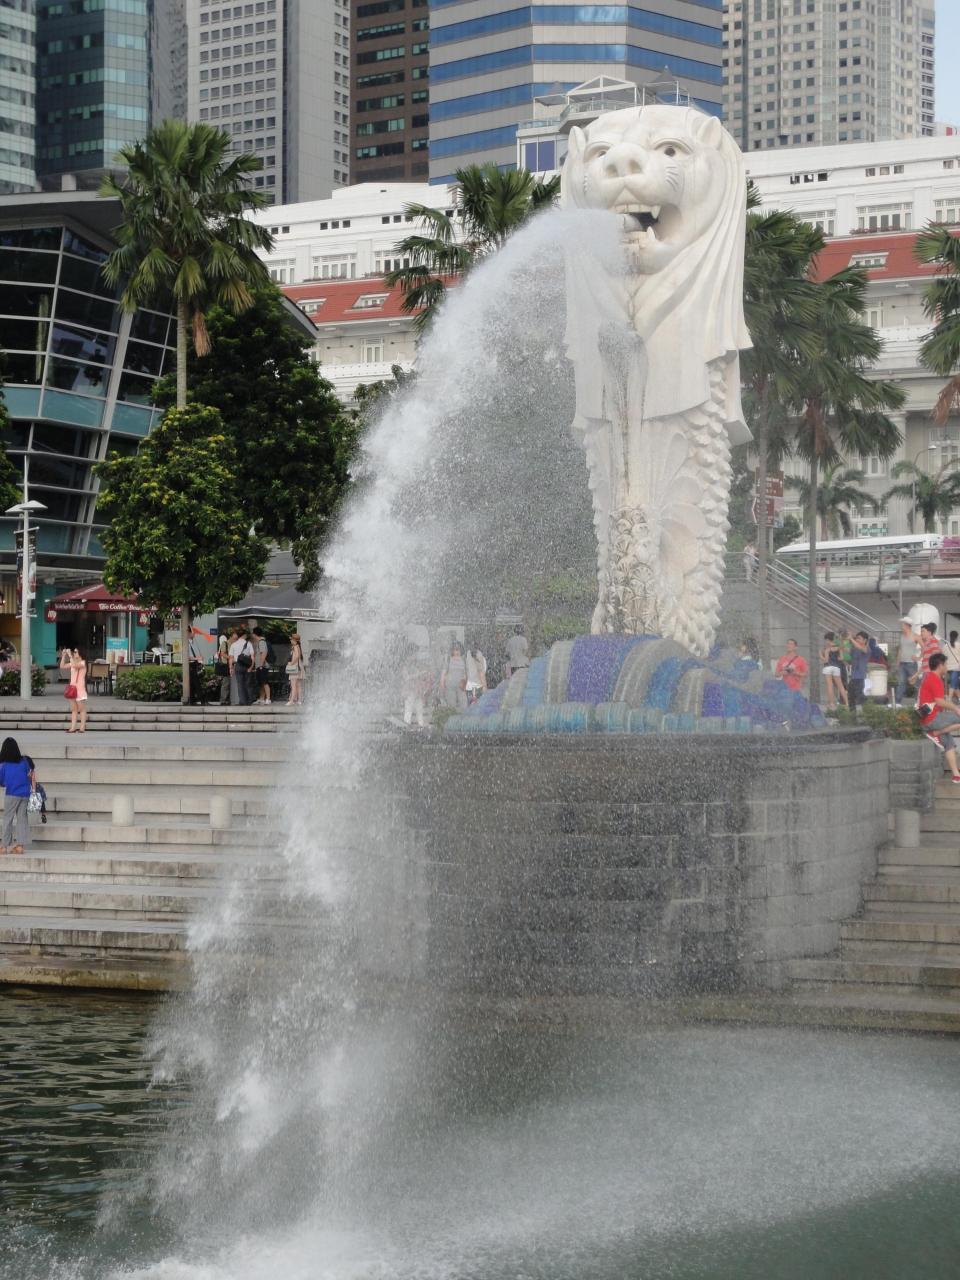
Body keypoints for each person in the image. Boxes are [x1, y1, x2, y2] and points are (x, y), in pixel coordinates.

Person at [917, 653, 960, 784]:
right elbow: (939, 701)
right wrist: (956, 708)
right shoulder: (935, 679)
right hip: (932, 719)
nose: (947, 667)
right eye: (945, 664)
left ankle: (956, 775)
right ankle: (936, 732)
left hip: (927, 719)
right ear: (940, 665)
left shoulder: (929, 677)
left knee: (948, 743)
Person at [0, 736, 34, 854]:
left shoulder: (4, 765)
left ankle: (4, 847)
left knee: (8, 819)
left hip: (11, 794)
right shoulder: (25, 761)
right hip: (25, 794)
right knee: (22, 819)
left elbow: (2, 782)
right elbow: (30, 774)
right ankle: (20, 846)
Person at [60, 646, 88, 732]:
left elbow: (75, 666)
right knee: (74, 709)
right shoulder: (73, 662)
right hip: (72, 689)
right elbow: (62, 666)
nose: (74, 653)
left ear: (80, 653)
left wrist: (70, 656)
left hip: (80, 689)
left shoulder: (83, 663)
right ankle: (73, 727)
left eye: (75, 652)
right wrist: (64, 656)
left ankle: (82, 727)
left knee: (81, 709)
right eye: (74, 652)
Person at [894, 617, 919, 707]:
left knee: (915, 683)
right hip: (902, 663)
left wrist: (919, 657)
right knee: (901, 682)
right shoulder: (902, 636)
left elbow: (924, 647)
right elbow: (900, 649)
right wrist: (897, 662)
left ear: (907, 625)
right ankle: (897, 702)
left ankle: (918, 701)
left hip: (911, 663)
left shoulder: (915, 636)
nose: (901, 626)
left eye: (902, 624)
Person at [819, 631, 848, 711]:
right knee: (841, 686)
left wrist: (821, 655)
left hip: (828, 667)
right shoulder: (838, 647)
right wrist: (837, 658)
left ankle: (831, 703)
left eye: (825, 640)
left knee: (830, 685)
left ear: (827, 640)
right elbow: (841, 658)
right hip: (836, 668)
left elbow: (826, 660)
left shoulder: (826, 649)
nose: (825, 642)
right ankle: (847, 703)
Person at [439, 640, 468, 711]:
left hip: (461, 686)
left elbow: (465, 673)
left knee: (464, 704)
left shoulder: (463, 660)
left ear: (461, 650)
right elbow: (444, 672)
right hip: (450, 686)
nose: (457, 652)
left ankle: (463, 716)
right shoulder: (448, 659)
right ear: (452, 650)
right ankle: (453, 716)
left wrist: (466, 683)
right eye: (455, 649)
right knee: (451, 705)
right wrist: (442, 683)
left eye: (458, 649)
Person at [846, 631, 870, 713]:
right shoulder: (854, 649)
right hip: (853, 676)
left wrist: (851, 639)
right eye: (856, 638)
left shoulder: (867, 648)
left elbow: (862, 649)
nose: (857, 640)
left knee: (859, 696)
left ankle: (867, 711)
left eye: (859, 638)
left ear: (865, 640)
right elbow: (848, 654)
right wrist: (844, 642)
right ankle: (853, 715)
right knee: (851, 696)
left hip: (860, 676)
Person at [229, 629, 254, 706]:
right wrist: (251, 667)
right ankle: (249, 700)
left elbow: (231, 658)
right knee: (248, 683)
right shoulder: (248, 643)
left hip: (238, 665)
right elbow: (252, 656)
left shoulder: (233, 644)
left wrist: (231, 668)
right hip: (247, 665)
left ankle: (243, 701)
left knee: (240, 684)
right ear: (244, 635)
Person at [252, 626, 272, 707]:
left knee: (265, 682)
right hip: (260, 666)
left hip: (262, 666)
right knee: (261, 683)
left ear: (254, 634)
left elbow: (264, 653)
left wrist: (261, 664)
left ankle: (268, 699)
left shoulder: (261, 642)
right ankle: (261, 698)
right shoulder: (260, 642)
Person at [285, 632, 305, 706]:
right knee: (298, 685)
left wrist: (291, 663)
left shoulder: (295, 647)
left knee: (293, 685)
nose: (290, 641)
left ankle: (291, 701)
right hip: (299, 667)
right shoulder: (298, 647)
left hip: (295, 668)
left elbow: (296, 656)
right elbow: (299, 657)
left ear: (295, 640)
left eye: (291, 639)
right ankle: (299, 700)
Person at [216, 629, 233, 705]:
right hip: (225, 666)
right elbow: (223, 655)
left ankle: (225, 699)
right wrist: (231, 657)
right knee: (226, 684)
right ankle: (223, 700)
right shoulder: (225, 644)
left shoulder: (223, 645)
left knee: (226, 684)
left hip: (225, 666)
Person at [944, 630, 960, 703]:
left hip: (949, 668)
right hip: (957, 667)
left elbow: (944, 658)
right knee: (954, 684)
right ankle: (949, 699)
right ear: (957, 637)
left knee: (955, 684)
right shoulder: (958, 645)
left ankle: (958, 698)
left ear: (949, 636)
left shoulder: (945, 646)